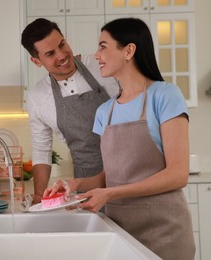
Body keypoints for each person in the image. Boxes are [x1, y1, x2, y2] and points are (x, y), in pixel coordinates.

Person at [44, 17, 195, 260]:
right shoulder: (105, 111)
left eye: (103, 46)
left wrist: (111, 194)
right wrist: (76, 185)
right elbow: (109, 176)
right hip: (118, 230)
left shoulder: (165, 96)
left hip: (164, 231)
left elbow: (178, 174)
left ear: (129, 50)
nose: (96, 55)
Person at [21, 18, 119, 203]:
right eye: (50, 53)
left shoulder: (102, 66)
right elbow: (42, 150)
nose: (62, 55)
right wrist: (40, 197)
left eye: (62, 44)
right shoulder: (37, 97)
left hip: (127, 173)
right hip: (87, 187)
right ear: (36, 61)